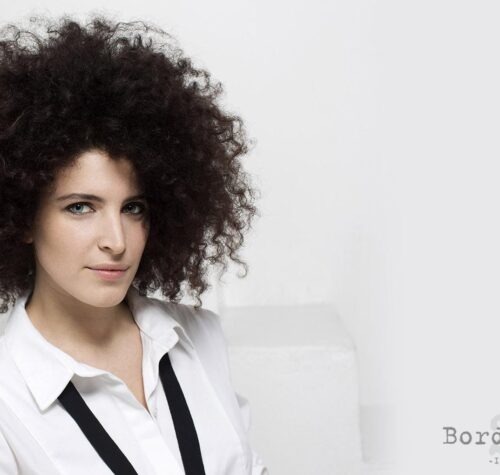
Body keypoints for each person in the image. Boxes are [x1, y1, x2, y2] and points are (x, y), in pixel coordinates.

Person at [0, 14, 268, 475]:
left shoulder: (197, 336)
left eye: (133, 208)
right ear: (22, 217)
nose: (116, 241)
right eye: (80, 207)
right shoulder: (8, 396)